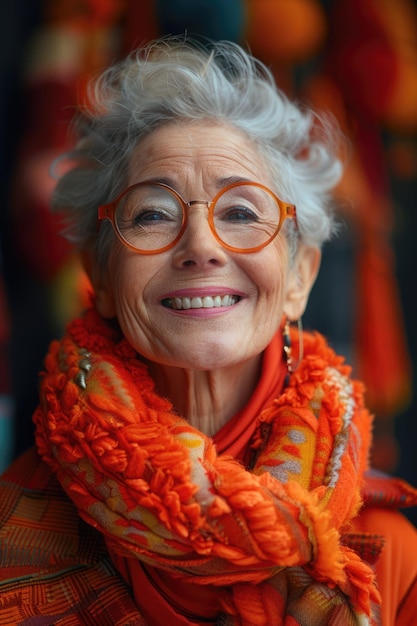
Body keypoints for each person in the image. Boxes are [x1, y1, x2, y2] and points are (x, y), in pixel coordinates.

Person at [1, 35, 416, 626]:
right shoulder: (11, 532)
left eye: (241, 213)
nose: (201, 246)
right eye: (153, 214)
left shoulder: (389, 556)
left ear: (299, 277)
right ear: (103, 276)